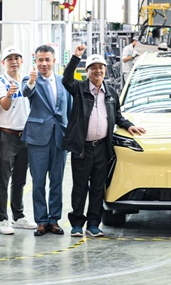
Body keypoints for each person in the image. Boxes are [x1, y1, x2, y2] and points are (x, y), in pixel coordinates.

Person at [63, 45, 145, 237]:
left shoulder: (111, 93)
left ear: (105, 70)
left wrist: (129, 125)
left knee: (98, 188)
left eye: (101, 67)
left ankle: (93, 224)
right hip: (82, 149)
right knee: (80, 188)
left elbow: (117, 116)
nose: (97, 71)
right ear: (87, 71)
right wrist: (76, 57)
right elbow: (66, 79)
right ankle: (77, 224)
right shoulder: (79, 89)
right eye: (93, 68)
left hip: (102, 148)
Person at [22, 45, 72, 236]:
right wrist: (31, 82)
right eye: (40, 60)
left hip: (60, 138)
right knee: (38, 182)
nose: (44, 63)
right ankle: (41, 220)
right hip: (38, 138)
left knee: (57, 181)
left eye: (47, 60)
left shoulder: (63, 82)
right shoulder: (30, 80)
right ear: (35, 61)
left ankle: (54, 220)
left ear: (54, 61)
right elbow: (26, 92)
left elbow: (69, 109)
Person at [0, 47, 36, 235]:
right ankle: (2, 219)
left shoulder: (27, 80)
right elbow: (4, 105)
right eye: (10, 59)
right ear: (4, 62)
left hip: (25, 135)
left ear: (22, 61)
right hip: (7, 135)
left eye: (17, 58)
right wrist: (9, 94)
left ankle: (18, 216)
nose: (14, 62)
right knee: (3, 179)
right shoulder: (0, 81)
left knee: (20, 179)